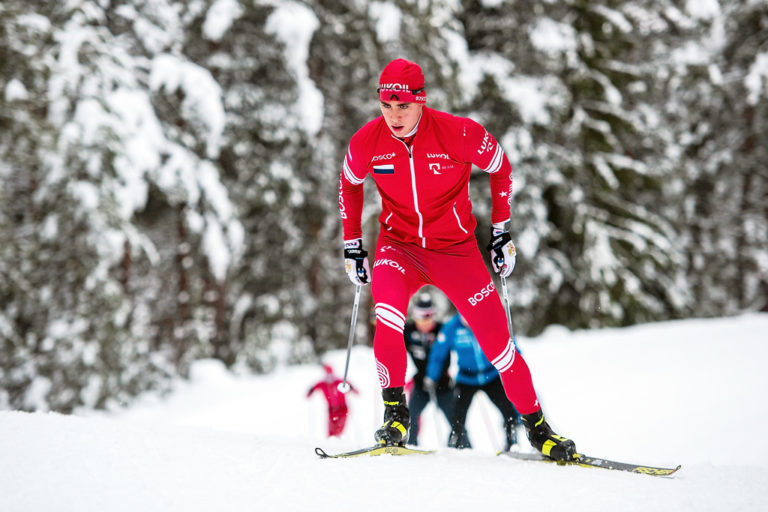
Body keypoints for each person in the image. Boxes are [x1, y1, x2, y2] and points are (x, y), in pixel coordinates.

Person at [339, 58, 577, 461]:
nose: (394, 116)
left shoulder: (458, 133)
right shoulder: (367, 141)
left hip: (456, 251)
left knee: (500, 347)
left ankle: (539, 429)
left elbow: (501, 168)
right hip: (399, 247)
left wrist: (501, 233)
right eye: (386, 106)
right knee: (389, 316)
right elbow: (349, 184)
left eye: (403, 106)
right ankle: (396, 414)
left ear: (421, 100)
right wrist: (353, 246)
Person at [425, 313, 521, 451]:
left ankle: (512, 442)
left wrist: (516, 365)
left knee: (508, 409)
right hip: (466, 379)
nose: (468, 322)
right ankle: (454, 443)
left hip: (490, 376)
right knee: (458, 415)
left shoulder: (487, 321)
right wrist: (432, 376)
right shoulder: (452, 327)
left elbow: (508, 342)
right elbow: (438, 353)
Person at [403, 292, 453, 445]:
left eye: (428, 317)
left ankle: (462, 448)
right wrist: (377, 323)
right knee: (410, 417)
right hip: (421, 383)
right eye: (421, 317)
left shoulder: (442, 329)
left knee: (456, 420)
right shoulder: (409, 331)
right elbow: (389, 334)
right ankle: (411, 445)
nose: (424, 322)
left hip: (443, 383)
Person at [307, 364, 357, 437]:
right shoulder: (322, 384)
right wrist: (310, 392)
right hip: (331, 409)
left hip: (342, 408)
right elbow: (313, 387)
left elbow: (349, 385)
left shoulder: (339, 381)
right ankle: (331, 443)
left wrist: (353, 389)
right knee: (331, 431)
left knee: (339, 429)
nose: (329, 378)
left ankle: (337, 442)